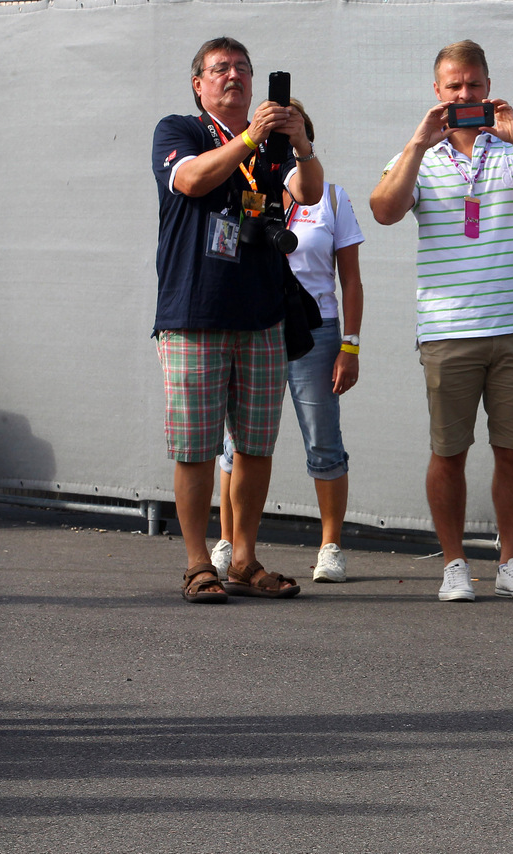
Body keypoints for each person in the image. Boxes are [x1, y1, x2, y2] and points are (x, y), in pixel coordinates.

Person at [369, 39, 513, 603]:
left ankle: (511, 562)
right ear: (437, 91)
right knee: (449, 451)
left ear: (489, 86)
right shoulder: (420, 153)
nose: (465, 95)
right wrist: (417, 142)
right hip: (446, 328)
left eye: (474, 85)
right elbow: (384, 210)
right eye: (454, 86)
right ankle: (454, 564)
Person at [152, 36, 324, 603]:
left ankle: (245, 559)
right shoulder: (179, 131)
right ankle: (199, 562)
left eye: (243, 69)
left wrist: (300, 146)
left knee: (255, 446)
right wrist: (250, 138)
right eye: (220, 69)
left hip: (261, 316)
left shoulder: (273, 146)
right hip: (195, 314)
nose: (234, 76)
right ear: (199, 85)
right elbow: (194, 180)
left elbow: (311, 191)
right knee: (197, 447)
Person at [212, 100, 366, 584]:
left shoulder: (332, 198)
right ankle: (228, 544)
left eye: (292, 135)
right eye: (275, 136)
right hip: (256, 324)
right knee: (236, 443)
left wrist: (350, 345)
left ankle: (330, 546)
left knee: (323, 439)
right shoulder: (245, 187)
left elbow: (352, 282)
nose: (282, 144)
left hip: (314, 330)